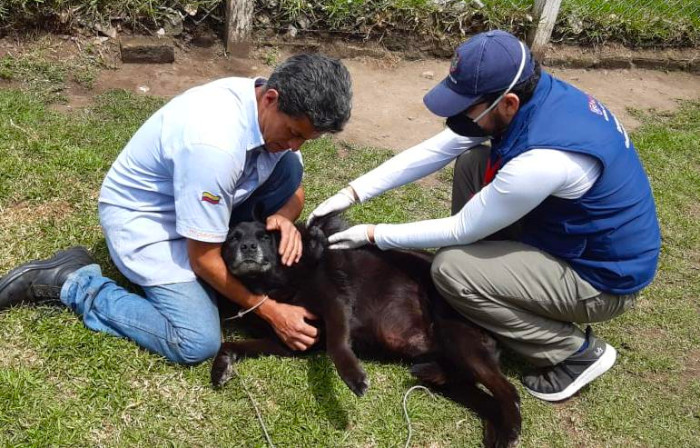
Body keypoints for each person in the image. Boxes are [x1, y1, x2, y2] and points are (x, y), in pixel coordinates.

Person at [307, 30, 660, 402]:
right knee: (474, 162)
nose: (458, 115)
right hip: (572, 235)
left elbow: (463, 228)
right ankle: (485, 292)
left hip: (599, 279)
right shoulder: (534, 97)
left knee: (451, 270)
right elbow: (435, 151)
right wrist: (353, 191)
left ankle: (574, 353)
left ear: (507, 102)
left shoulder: (544, 159)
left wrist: (373, 233)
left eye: (467, 106)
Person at [0, 54, 353, 364]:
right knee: (196, 340)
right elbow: (203, 258)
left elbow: (296, 190)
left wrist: (283, 218)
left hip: (200, 195)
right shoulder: (213, 145)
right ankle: (74, 282)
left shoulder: (263, 102)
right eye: (293, 133)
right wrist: (271, 311)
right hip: (150, 221)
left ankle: (218, 228)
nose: (294, 145)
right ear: (272, 99)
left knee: (287, 169)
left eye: (304, 139)